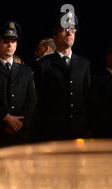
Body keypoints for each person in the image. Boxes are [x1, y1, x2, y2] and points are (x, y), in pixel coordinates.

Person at [33, 8, 91, 142]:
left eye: (72, 29)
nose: (69, 33)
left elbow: (86, 97)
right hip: (52, 132)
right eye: (64, 29)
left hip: (79, 130)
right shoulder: (43, 65)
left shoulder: (84, 64)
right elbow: (40, 100)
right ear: (54, 35)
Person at [0, 21, 37, 149]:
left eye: (13, 41)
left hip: (20, 134)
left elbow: (31, 100)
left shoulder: (26, 71)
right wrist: (6, 118)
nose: (10, 44)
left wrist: (19, 123)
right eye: (6, 40)